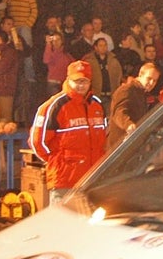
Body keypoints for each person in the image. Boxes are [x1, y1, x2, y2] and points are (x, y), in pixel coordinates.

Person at [29, 60, 107, 203]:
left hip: (92, 180)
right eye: (76, 81)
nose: (81, 85)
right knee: (63, 224)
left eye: (84, 81)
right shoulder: (54, 106)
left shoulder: (97, 105)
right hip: (64, 181)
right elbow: (37, 142)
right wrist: (57, 162)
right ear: (68, 80)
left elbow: (104, 138)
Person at [106, 62, 160, 151]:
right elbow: (119, 111)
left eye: (155, 80)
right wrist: (128, 125)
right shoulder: (127, 89)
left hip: (132, 145)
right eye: (149, 78)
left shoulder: (145, 94)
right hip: (120, 146)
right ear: (140, 75)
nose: (151, 83)